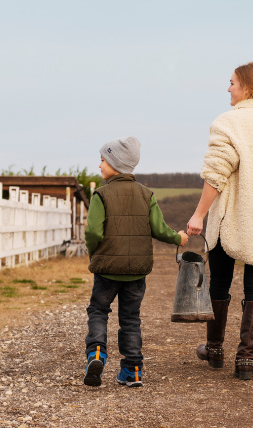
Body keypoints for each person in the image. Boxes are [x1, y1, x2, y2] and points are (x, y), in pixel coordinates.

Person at [186, 62, 253, 380]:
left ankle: (216, 349)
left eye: (232, 83)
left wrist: (198, 215)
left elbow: (215, 175)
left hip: (228, 221)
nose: (228, 88)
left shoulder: (229, 123)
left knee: (220, 283)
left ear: (247, 88)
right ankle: (246, 361)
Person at [83, 136, 188, 388]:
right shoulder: (146, 194)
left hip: (107, 270)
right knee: (130, 319)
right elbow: (159, 229)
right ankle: (133, 371)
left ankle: (96, 354)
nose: (99, 165)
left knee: (98, 310)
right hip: (136, 272)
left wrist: (94, 252)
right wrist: (179, 238)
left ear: (115, 163)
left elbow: (93, 232)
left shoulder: (101, 195)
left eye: (102, 160)